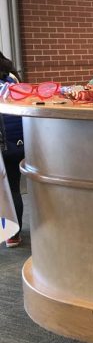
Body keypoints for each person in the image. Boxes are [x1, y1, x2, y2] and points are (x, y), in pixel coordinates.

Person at [0, 52, 24, 248]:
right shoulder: (13, 79)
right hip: (18, 143)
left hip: (4, 143)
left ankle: (9, 231)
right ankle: (13, 235)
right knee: (13, 188)